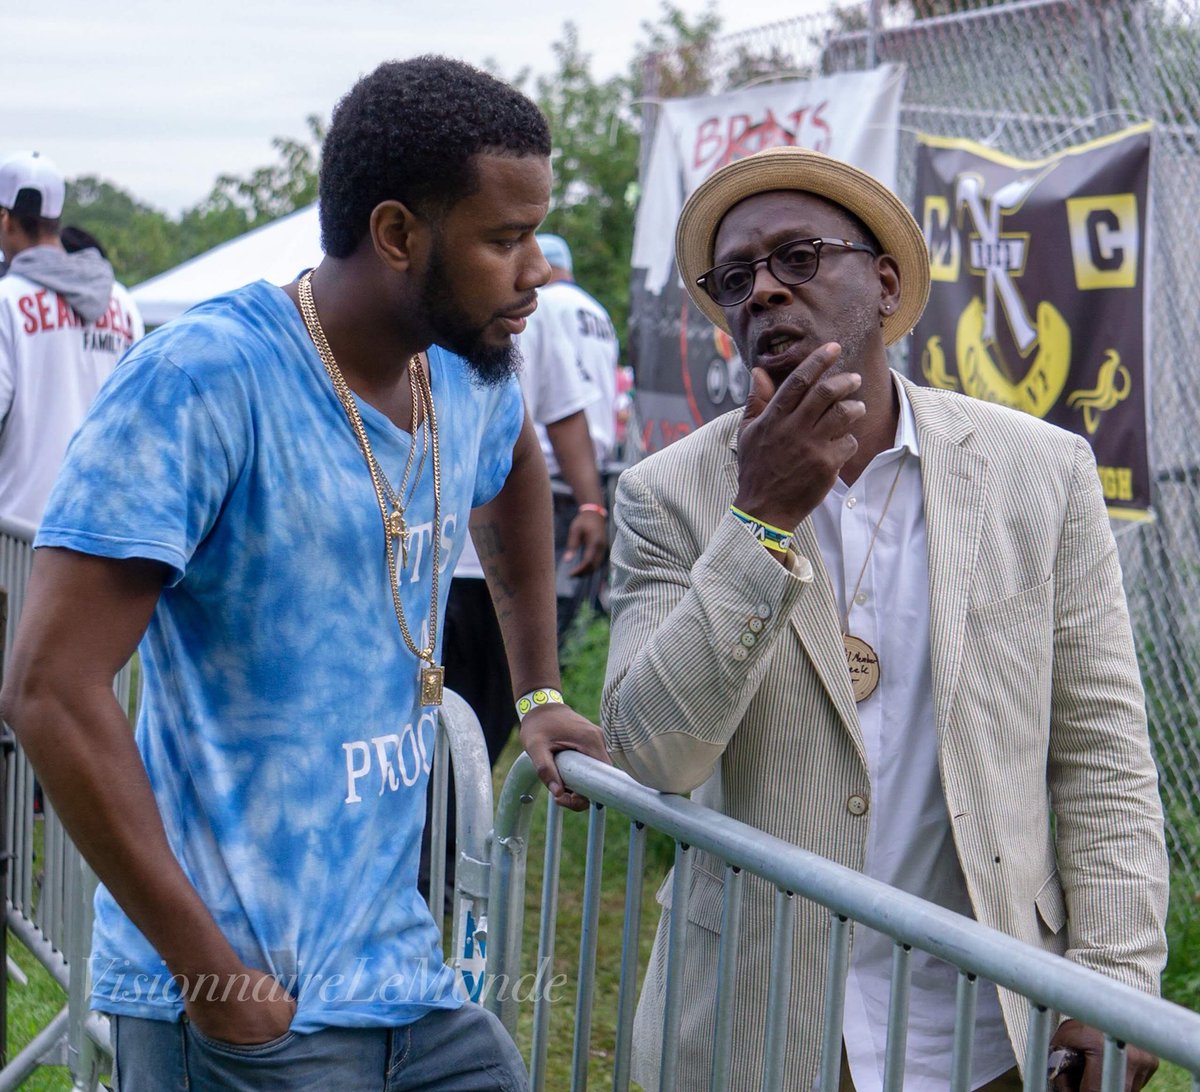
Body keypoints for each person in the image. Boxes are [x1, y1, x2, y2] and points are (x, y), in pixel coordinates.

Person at [0, 56, 607, 1091]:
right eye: (504, 240)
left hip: (402, 975)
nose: (536, 271)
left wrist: (539, 690)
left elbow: (516, 466)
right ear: (398, 234)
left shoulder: (460, 371)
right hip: (246, 999)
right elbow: (48, 689)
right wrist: (213, 980)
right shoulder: (207, 378)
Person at [601, 146, 1168, 1092]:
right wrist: (760, 521)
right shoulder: (668, 495)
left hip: (984, 1026)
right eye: (736, 278)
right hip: (761, 1025)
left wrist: (1117, 980)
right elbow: (655, 751)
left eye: (799, 257)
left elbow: (1100, 748)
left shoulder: (1042, 470)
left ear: (887, 279)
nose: (766, 293)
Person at [0, 151, 143, 527]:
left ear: (4, 219)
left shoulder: (6, 301)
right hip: (97, 536)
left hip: (15, 535)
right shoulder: (123, 303)